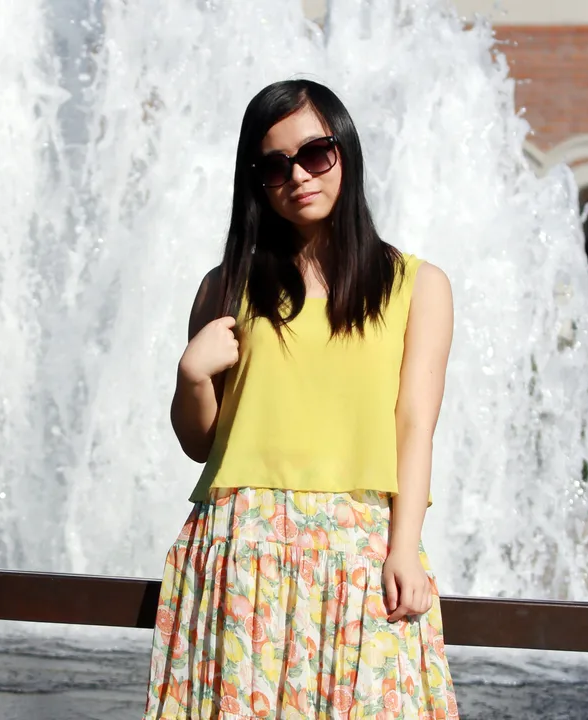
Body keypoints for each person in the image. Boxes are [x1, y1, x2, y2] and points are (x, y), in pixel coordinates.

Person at [142, 79, 457, 719]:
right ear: (255, 181)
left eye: (315, 153)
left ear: (345, 151)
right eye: (275, 165)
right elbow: (200, 443)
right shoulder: (227, 284)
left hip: (361, 546)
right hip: (241, 544)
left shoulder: (417, 285)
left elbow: (415, 425)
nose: (299, 177)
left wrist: (404, 546)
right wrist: (191, 376)